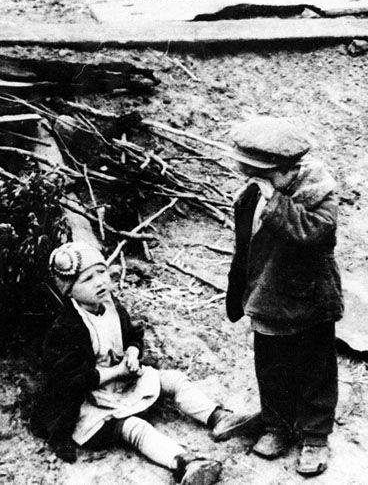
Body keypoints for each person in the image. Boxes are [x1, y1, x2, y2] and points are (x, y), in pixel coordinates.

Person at [31, 242, 259, 485]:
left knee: (173, 379)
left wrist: (131, 351)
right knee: (134, 427)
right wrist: (117, 370)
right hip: (89, 403)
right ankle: (185, 462)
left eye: (101, 272)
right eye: (87, 279)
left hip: (123, 383)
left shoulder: (110, 305)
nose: (100, 282)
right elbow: (72, 379)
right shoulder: (67, 327)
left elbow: (132, 334)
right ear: (69, 291)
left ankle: (218, 417)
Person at [226, 116, 344, 476]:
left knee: (315, 370)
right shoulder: (253, 193)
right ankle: (277, 425)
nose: (252, 180)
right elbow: (244, 246)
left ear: (287, 170)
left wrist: (274, 201)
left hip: (309, 300)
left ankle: (314, 436)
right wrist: (238, 290)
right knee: (271, 368)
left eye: (262, 175)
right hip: (266, 297)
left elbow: (311, 233)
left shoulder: (319, 194)